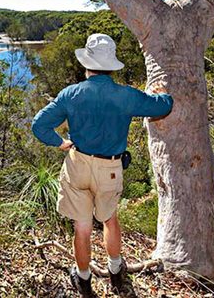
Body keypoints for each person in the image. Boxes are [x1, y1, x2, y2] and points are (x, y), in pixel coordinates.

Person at [31, 33, 174, 296]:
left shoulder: (71, 94)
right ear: (111, 65)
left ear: (87, 63)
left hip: (77, 165)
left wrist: (60, 142)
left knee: (82, 226)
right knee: (109, 219)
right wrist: (163, 93)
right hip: (109, 169)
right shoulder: (125, 96)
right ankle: (116, 272)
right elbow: (162, 106)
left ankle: (84, 280)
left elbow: (39, 125)